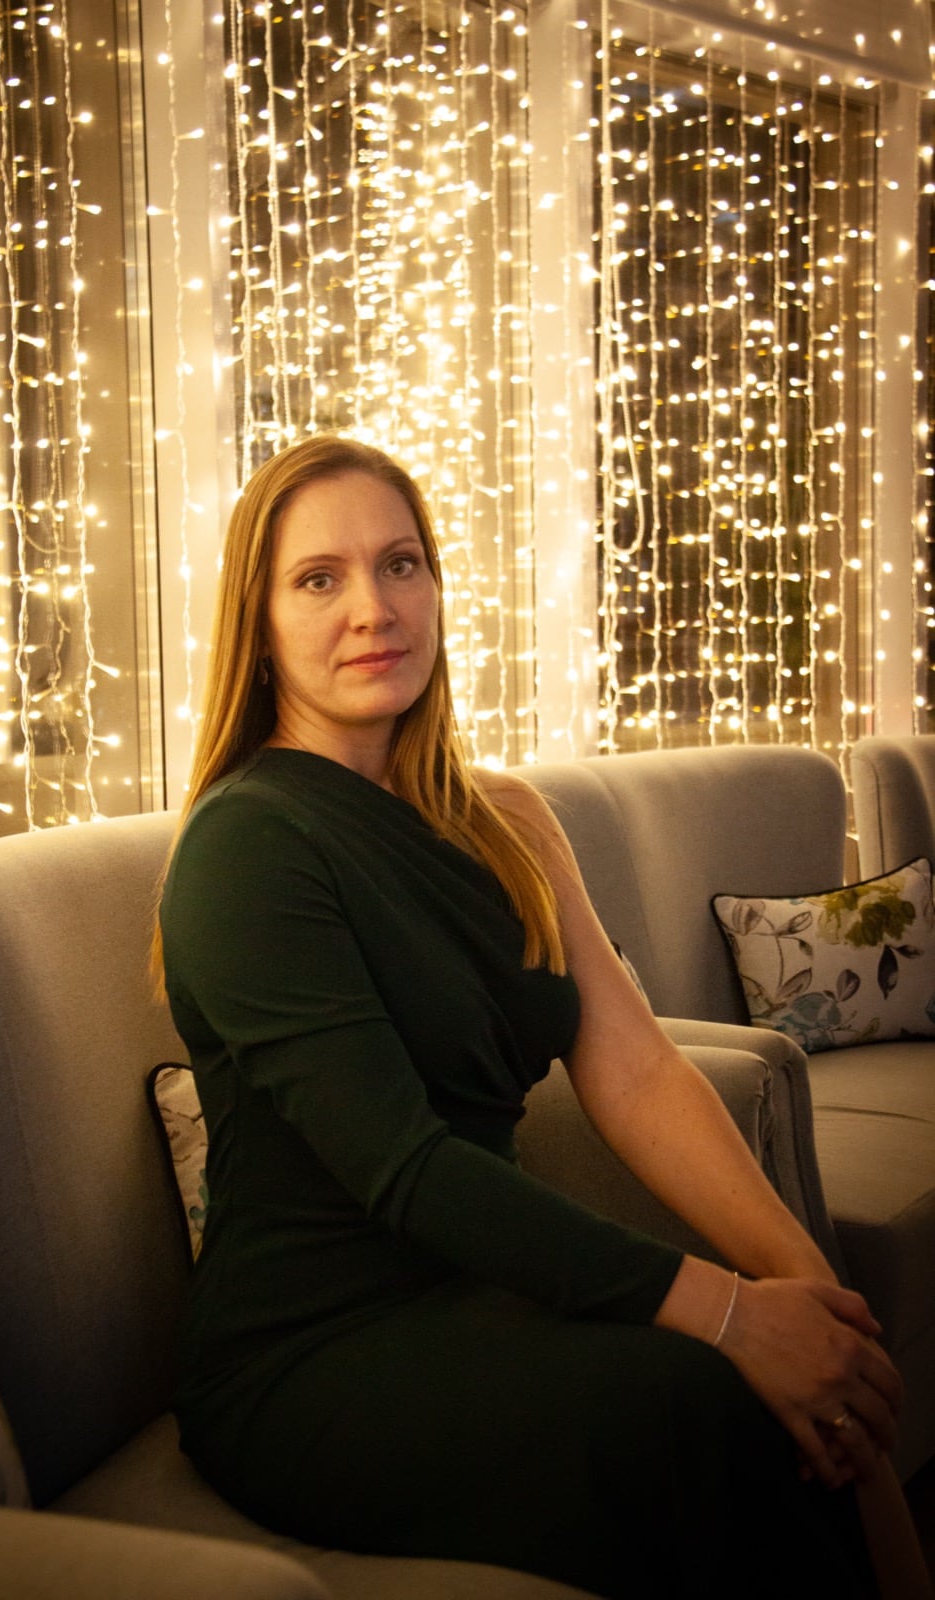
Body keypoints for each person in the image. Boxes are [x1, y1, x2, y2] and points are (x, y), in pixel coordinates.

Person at [156, 434, 929, 1599]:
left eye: (400, 564)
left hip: (472, 1293)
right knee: (708, 1409)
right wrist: (729, 1314)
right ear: (257, 625)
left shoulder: (507, 818)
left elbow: (635, 1071)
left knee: (809, 1383)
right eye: (318, 578)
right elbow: (410, 1171)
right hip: (308, 1352)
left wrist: (804, 1287)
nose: (372, 607)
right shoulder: (246, 846)